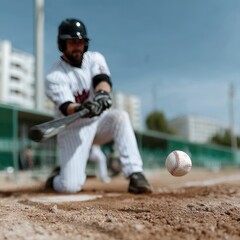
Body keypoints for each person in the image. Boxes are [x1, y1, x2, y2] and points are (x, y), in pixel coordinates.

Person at [45, 18, 152, 194]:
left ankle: (135, 174)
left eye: (80, 42)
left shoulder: (94, 58)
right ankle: (55, 178)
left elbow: (102, 81)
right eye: (72, 42)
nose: (77, 46)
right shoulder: (54, 76)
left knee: (120, 117)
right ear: (61, 44)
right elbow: (67, 107)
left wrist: (102, 95)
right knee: (70, 187)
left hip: (98, 121)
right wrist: (81, 108)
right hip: (73, 128)